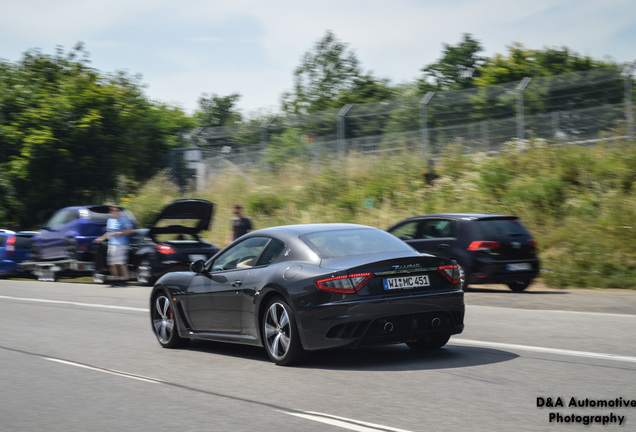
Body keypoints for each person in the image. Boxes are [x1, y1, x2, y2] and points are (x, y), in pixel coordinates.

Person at [94, 206, 134, 286]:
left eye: (117, 210)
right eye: (113, 210)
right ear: (111, 212)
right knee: (112, 263)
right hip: (112, 244)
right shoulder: (110, 221)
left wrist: (121, 233)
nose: (115, 212)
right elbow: (109, 232)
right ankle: (115, 279)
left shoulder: (123, 220)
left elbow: (130, 230)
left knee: (121, 263)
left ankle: (124, 279)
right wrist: (101, 238)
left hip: (121, 244)